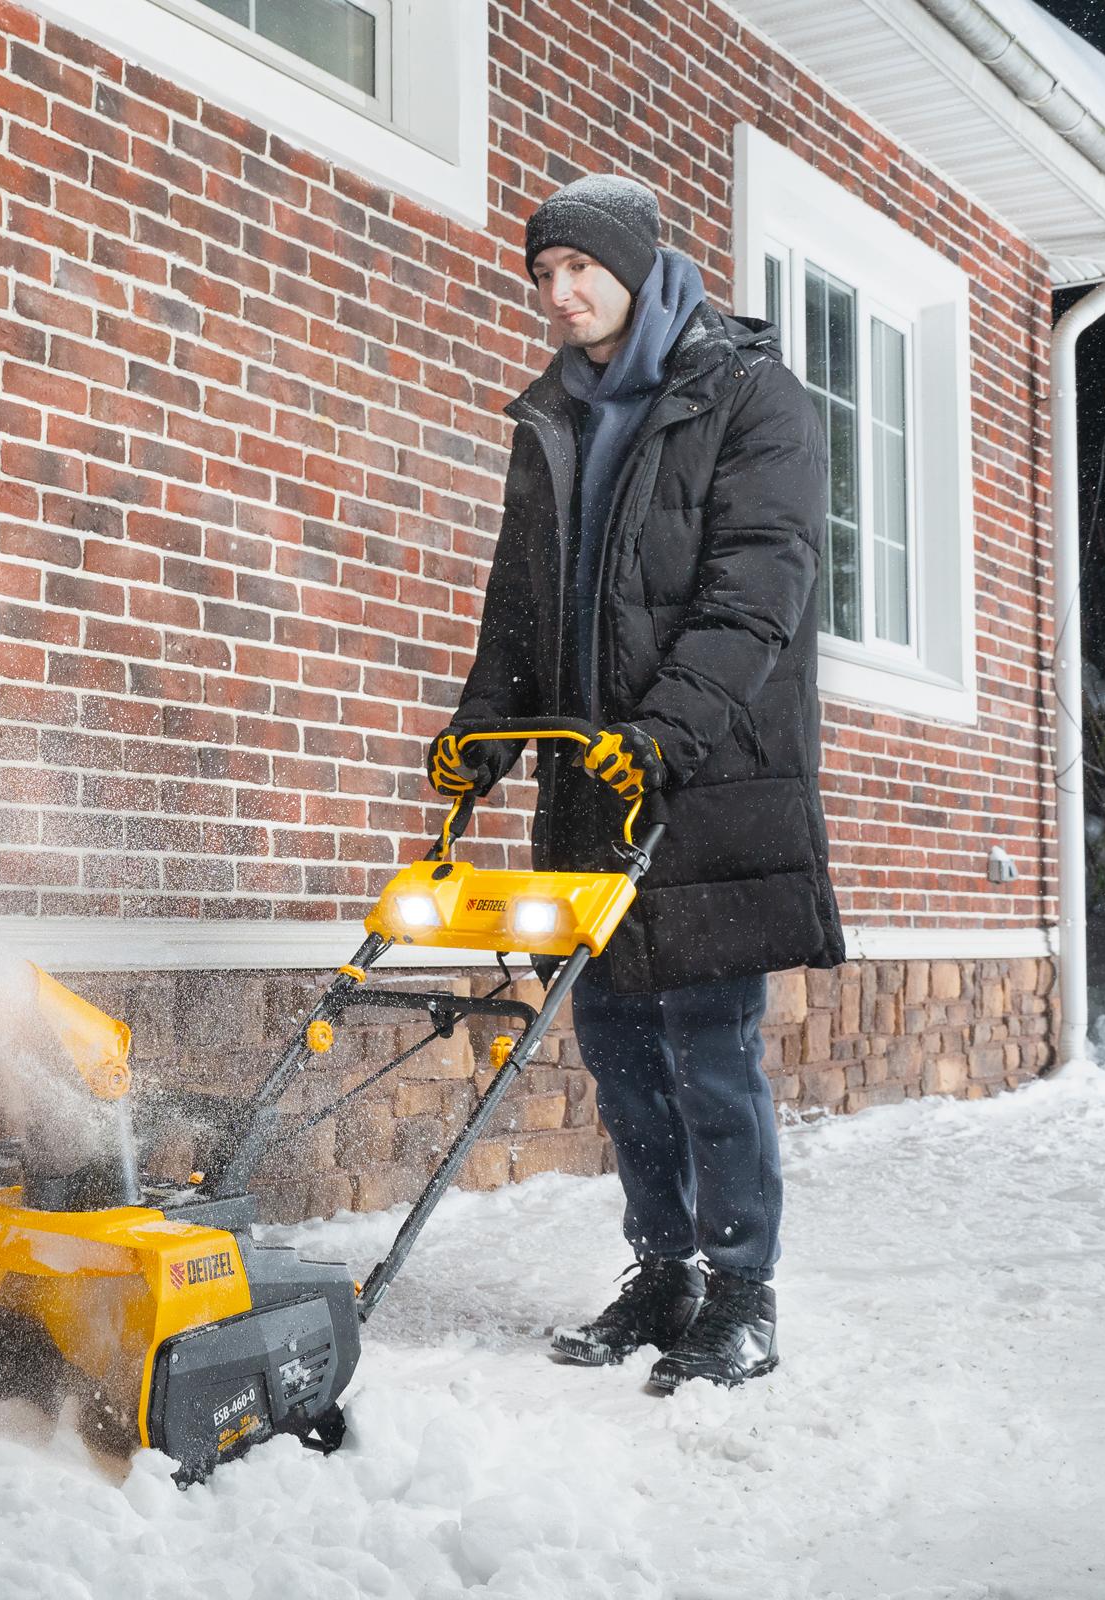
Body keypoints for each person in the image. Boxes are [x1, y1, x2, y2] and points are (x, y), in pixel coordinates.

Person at [427, 174, 844, 1392]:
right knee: (616, 1047)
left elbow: (756, 591)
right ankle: (660, 1276)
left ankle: (742, 1295)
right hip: (587, 788)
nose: (557, 294)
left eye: (577, 268)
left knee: (709, 1048)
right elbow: (521, 610)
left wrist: (662, 732)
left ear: (638, 262)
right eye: (540, 275)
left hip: (706, 779)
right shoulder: (550, 416)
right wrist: (480, 733)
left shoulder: (754, 398)